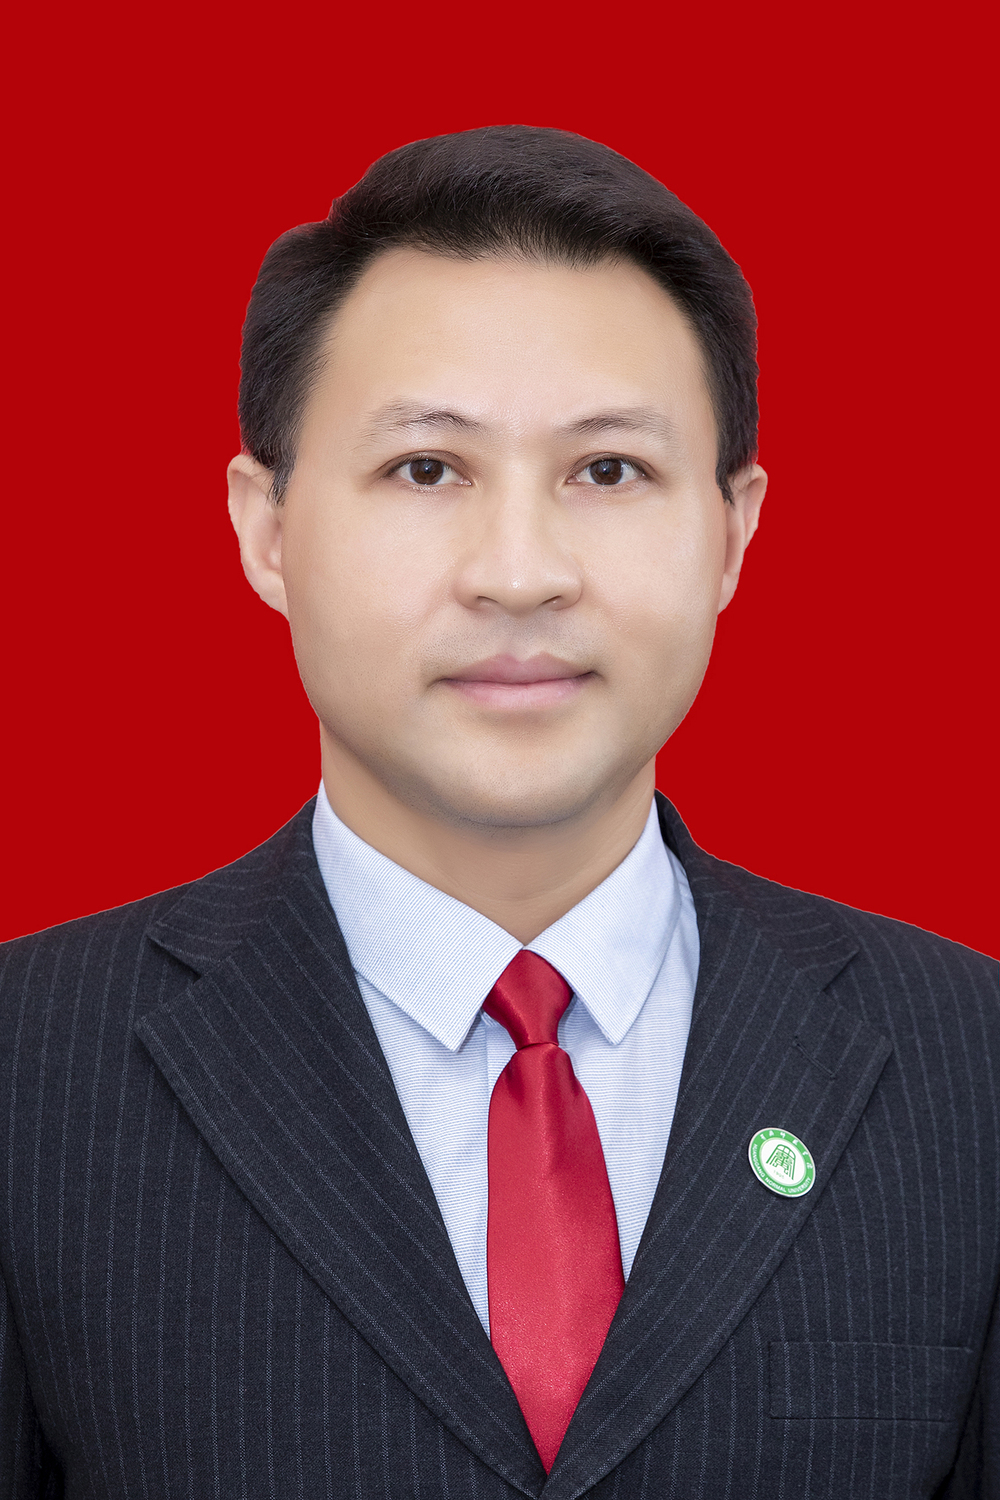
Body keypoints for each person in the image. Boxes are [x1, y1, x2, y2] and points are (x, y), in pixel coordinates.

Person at [0, 126, 996, 1500]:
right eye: (427, 469)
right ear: (266, 528)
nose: (519, 574)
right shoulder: (29, 1065)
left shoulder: (969, 1061)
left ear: (734, 530)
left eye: (609, 471)